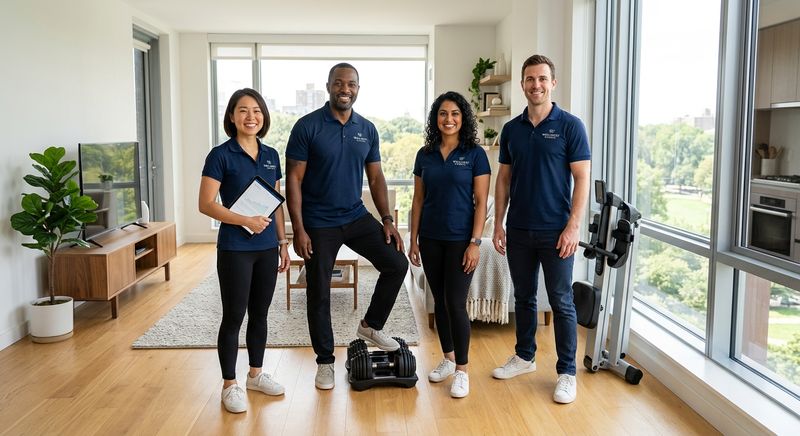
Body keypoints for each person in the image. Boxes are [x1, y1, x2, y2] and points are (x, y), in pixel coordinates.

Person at [285, 62, 409, 390]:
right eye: (339, 83)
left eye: (351, 84)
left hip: (355, 216)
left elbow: (376, 176)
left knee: (397, 263)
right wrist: (298, 228)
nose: (345, 89)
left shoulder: (366, 129)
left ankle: (371, 325)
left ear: (358, 88)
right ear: (328, 86)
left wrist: (386, 220)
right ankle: (325, 362)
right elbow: (294, 180)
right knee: (319, 291)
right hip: (318, 223)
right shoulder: (307, 126)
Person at [490, 54, 591, 404]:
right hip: (518, 228)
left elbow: (582, 179)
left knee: (562, 301)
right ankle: (525, 356)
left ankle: (566, 372)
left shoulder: (570, 126)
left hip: (556, 232)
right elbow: (503, 179)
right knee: (524, 297)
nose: (536, 85)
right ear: (522, 85)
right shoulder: (512, 130)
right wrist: (498, 223)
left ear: (553, 83)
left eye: (542, 79)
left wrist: (573, 226)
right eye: (530, 79)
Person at [199, 88, 290, 413]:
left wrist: (282, 242)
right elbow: (206, 204)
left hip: (267, 248)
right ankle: (229, 384)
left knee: (261, 314)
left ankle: (255, 374)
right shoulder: (220, 155)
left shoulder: (271, 155)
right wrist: (245, 220)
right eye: (243, 110)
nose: (250, 116)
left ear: (263, 117)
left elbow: (276, 203)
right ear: (232, 116)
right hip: (235, 248)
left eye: (256, 111)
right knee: (234, 315)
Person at [408, 91, 490, 398]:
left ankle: (463, 371)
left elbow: (481, 202)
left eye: (455, 113)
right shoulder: (425, 154)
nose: (449, 119)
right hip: (430, 239)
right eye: (443, 114)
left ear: (463, 117)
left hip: (460, 242)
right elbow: (418, 199)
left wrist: (475, 242)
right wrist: (413, 238)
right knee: (439, 301)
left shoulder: (475, 154)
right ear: (435, 119)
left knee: (455, 303)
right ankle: (448, 357)